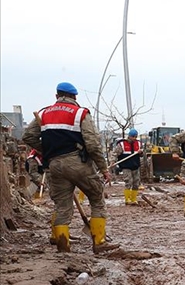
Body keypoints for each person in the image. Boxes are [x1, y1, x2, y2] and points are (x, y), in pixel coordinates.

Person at [22, 82, 119, 253]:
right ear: (74, 97)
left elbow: (28, 136)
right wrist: (103, 168)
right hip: (77, 163)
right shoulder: (80, 113)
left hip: (54, 164)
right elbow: (93, 144)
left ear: (56, 96)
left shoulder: (43, 113)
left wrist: (48, 150)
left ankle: (62, 245)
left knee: (61, 206)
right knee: (96, 198)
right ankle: (99, 242)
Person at [115, 128, 143, 205]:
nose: (134, 138)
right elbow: (115, 154)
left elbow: (142, 154)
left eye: (136, 137)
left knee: (136, 183)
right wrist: (112, 161)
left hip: (135, 166)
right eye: (133, 136)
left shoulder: (138, 143)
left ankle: (133, 199)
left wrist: (141, 152)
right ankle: (127, 200)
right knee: (128, 182)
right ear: (129, 136)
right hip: (126, 166)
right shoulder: (122, 144)